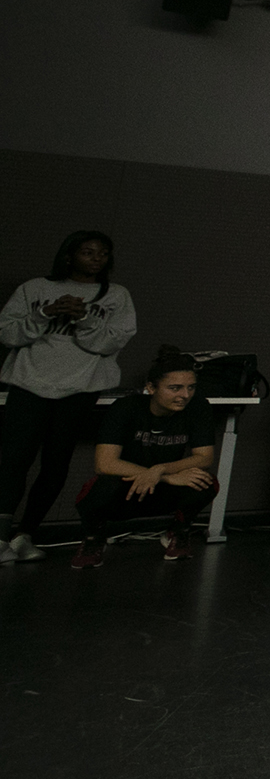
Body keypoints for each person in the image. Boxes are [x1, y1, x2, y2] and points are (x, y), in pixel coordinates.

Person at [0, 231, 137, 562]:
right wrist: (45, 313)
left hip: (80, 389)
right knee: (13, 463)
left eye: (103, 254)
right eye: (88, 252)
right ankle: (0, 539)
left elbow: (111, 343)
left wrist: (84, 317)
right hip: (29, 385)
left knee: (55, 464)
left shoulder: (116, 295)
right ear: (68, 256)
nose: (96, 259)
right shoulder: (34, 288)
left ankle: (25, 534)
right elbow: (7, 334)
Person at [69, 349, 220, 567]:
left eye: (191, 387)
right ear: (151, 388)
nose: (185, 395)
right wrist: (164, 476)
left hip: (161, 491)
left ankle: (179, 531)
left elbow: (204, 457)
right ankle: (94, 537)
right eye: (175, 388)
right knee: (101, 486)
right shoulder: (126, 408)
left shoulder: (197, 407)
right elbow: (105, 464)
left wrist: (159, 469)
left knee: (205, 481)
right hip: (126, 488)